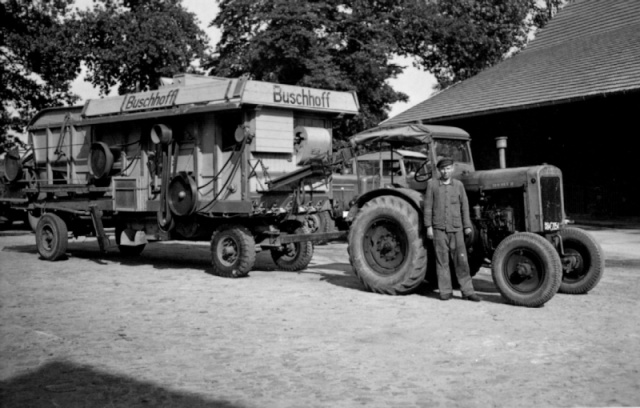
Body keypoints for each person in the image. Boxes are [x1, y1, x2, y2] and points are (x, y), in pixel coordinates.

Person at [423, 157, 481, 302]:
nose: (445, 171)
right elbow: (428, 207)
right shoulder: (433, 185)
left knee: (461, 260)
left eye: (448, 169)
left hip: (456, 229)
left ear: (453, 169)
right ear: (439, 170)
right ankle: (445, 291)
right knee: (442, 260)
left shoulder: (459, 185)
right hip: (439, 229)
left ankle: (467, 291)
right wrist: (429, 227)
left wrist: (467, 226)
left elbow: (465, 207)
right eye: (442, 169)